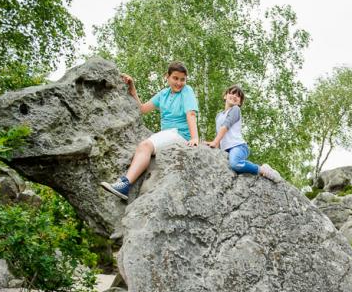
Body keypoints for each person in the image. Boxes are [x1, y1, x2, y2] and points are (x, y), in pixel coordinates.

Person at [101, 61, 200, 201]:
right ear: (167, 77)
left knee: (145, 145)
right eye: (175, 78)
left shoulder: (187, 91)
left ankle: (124, 184)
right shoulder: (163, 94)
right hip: (168, 134)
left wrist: (194, 138)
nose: (179, 82)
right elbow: (142, 109)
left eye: (182, 79)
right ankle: (126, 184)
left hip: (180, 134)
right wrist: (132, 88)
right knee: (143, 147)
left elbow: (191, 114)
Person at [204, 84, 282, 182]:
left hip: (238, 146)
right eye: (232, 93)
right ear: (225, 96)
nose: (235, 96)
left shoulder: (235, 109)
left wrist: (214, 142)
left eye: (238, 96)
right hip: (226, 149)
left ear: (240, 102)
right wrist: (217, 148)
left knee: (235, 164)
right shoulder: (218, 116)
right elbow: (219, 133)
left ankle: (263, 170)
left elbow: (226, 126)